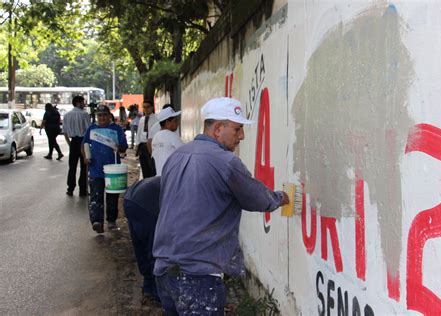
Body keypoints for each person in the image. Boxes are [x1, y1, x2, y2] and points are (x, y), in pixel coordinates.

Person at [152, 97, 289, 315]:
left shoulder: (177, 156)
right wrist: (282, 197)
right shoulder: (225, 162)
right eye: (237, 129)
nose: (241, 136)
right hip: (197, 276)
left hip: (165, 270)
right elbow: (259, 199)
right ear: (217, 129)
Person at [82, 105, 128, 233]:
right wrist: (86, 157)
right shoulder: (91, 129)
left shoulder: (116, 129)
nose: (102, 118)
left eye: (104, 115)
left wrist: (118, 147)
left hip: (112, 170)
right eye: (99, 115)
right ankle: (97, 221)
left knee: (112, 197)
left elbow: (124, 147)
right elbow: (84, 145)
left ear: (109, 116)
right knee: (96, 197)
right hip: (96, 169)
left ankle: (111, 220)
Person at [124, 176, 161, 305]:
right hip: (146, 205)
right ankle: (157, 293)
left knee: (140, 245)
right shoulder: (184, 191)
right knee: (154, 249)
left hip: (130, 199)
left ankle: (147, 287)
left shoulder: (169, 178)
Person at [62, 95, 90, 196]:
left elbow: (65, 131)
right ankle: (82, 189)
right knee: (84, 167)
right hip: (83, 141)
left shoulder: (66, 115)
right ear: (78, 103)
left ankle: (70, 188)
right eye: (83, 102)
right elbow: (88, 131)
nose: (84, 104)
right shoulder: (84, 114)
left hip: (73, 142)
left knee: (72, 166)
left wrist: (70, 144)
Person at [147, 106, 183, 176]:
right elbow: (185, 152)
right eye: (175, 121)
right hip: (170, 176)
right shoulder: (171, 135)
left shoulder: (156, 136)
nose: (177, 123)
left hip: (158, 176)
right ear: (167, 122)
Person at [136, 100, 158, 178]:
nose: (146, 109)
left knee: (152, 168)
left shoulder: (156, 119)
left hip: (151, 145)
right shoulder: (142, 119)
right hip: (142, 146)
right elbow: (139, 133)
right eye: (144, 107)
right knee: (144, 168)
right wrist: (137, 145)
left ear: (152, 107)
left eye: (148, 107)